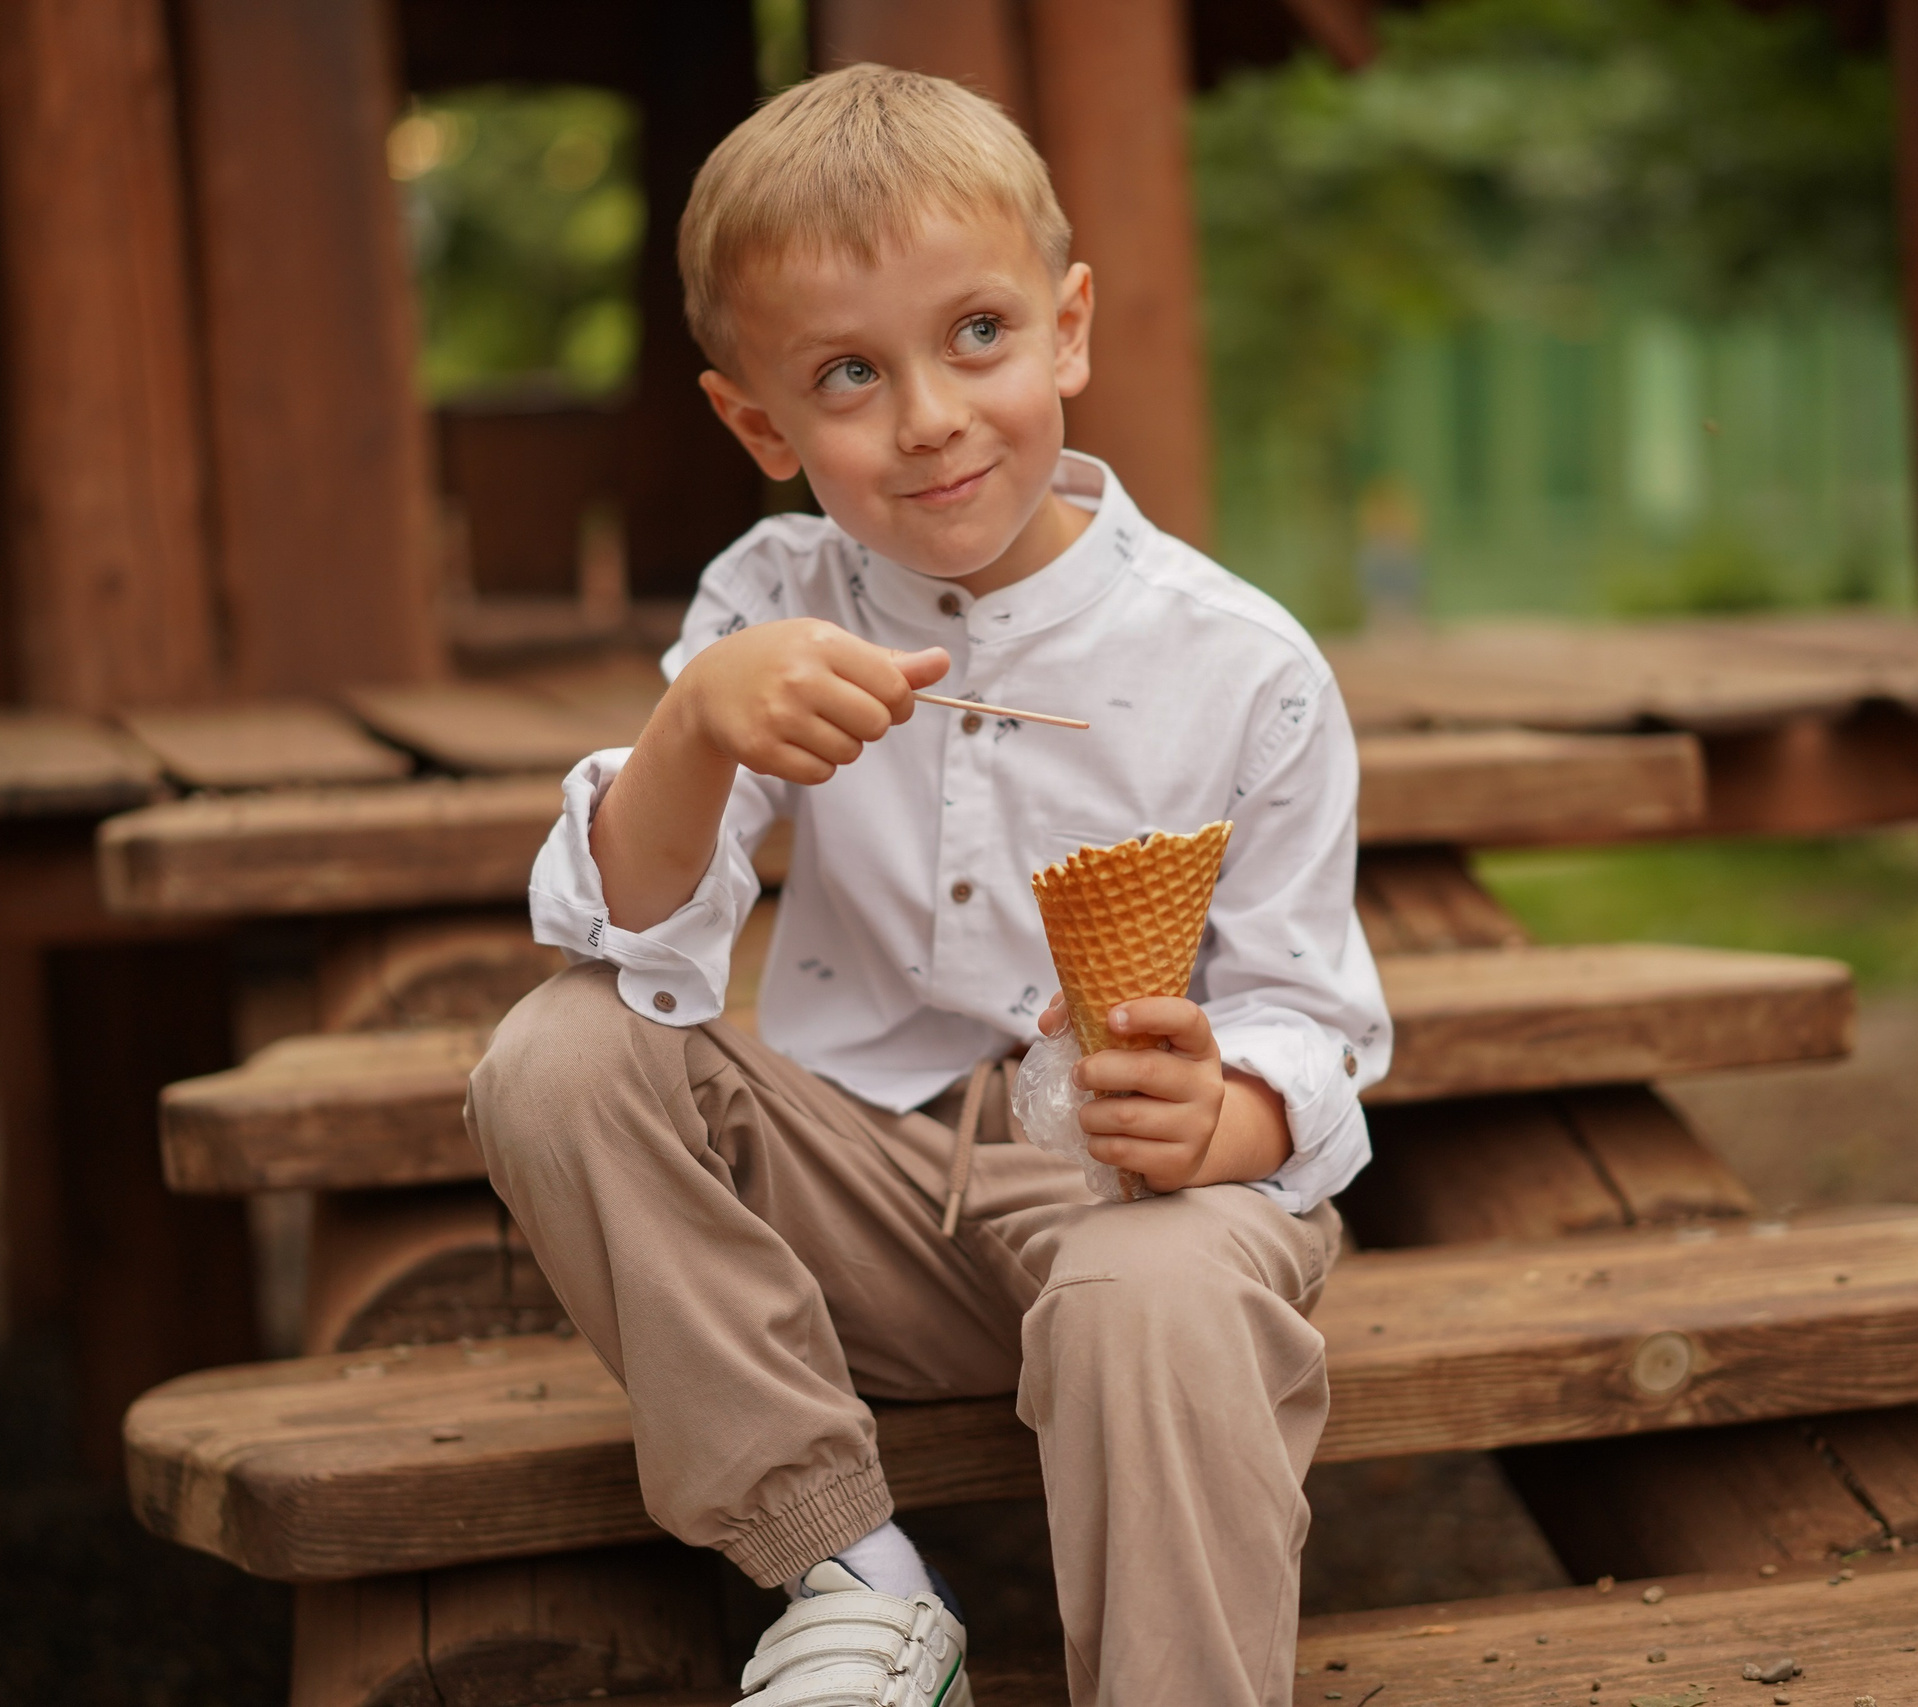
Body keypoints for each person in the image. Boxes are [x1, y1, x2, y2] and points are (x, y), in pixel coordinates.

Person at [467, 62, 1390, 1707]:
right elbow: (637, 942)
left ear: (1070, 327)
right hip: (856, 1205)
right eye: (846, 373)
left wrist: (1224, 1115)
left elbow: (1313, 1023)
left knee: (1155, 1286)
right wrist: (692, 729)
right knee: (558, 1050)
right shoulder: (770, 597)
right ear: (757, 424)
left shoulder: (1243, 668)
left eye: (979, 335)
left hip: (1136, 1214)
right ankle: (856, 1582)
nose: (931, 416)